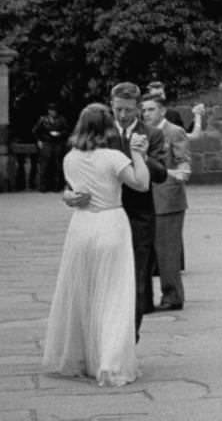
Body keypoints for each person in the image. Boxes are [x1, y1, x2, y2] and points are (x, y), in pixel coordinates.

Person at [42, 103, 149, 386]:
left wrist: (68, 196)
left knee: (81, 293)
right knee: (114, 294)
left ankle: (79, 357)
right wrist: (138, 155)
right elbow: (141, 183)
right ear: (107, 128)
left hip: (81, 226)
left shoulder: (70, 158)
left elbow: (74, 191)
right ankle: (110, 363)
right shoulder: (113, 157)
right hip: (111, 222)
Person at [68, 83, 166, 339]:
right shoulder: (103, 132)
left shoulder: (152, 134)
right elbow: (76, 173)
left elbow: (162, 174)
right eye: (118, 109)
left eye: (129, 111)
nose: (123, 116)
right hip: (105, 218)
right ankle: (103, 337)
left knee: (137, 281)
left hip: (139, 217)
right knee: (103, 281)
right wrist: (69, 195)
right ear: (111, 105)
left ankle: (127, 340)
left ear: (139, 109)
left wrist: (142, 156)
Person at [140, 94, 191, 312]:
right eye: (144, 110)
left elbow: (184, 165)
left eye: (151, 109)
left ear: (162, 111)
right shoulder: (141, 132)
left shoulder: (174, 132)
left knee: (167, 251)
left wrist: (168, 174)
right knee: (145, 249)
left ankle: (172, 295)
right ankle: (144, 297)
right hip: (145, 195)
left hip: (168, 199)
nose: (146, 114)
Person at [32, 102, 69, 193]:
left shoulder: (61, 120)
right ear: (49, 111)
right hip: (47, 142)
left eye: (54, 111)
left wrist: (60, 134)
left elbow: (67, 131)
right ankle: (43, 186)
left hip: (58, 143)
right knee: (45, 164)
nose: (53, 112)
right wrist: (39, 140)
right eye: (51, 111)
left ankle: (56, 186)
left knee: (57, 164)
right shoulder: (43, 120)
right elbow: (35, 131)